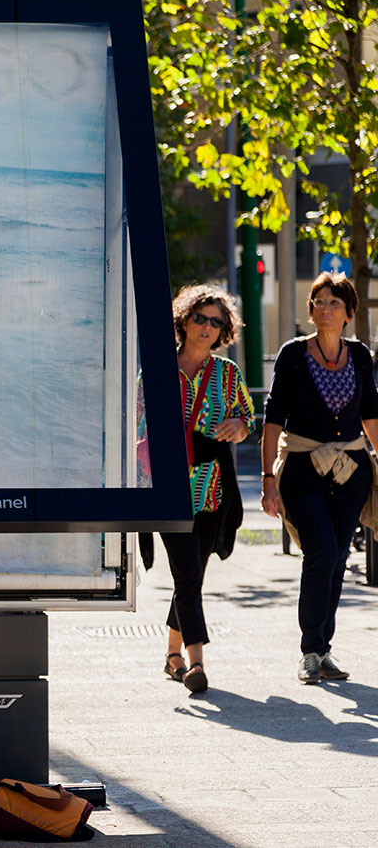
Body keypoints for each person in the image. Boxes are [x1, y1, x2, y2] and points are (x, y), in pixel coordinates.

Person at [260, 272, 378, 684]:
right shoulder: (293, 354)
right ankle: (310, 650)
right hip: (303, 468)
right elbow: (273, 417)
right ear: (310, 310)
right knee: (322, 554)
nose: (324, 309)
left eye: (333, 302)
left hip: (351, 470)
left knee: (340, 559)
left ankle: (323, 650)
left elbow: (371, 413)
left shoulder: (360, 355)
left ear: (348, 312)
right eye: (318, 302)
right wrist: (267, 479)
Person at [147, 285, 255, 694]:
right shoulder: (157, 369)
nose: (207, 327)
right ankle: (196, 663)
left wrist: (240, 426)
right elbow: (139, 420)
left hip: (213, 490)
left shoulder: (227, 373)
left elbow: (246, 416)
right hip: (169, 490)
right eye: (200, 318)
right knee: (188, 573)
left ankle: (172, 655)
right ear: (184, 321)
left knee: (192, 576)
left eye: (216, 321)